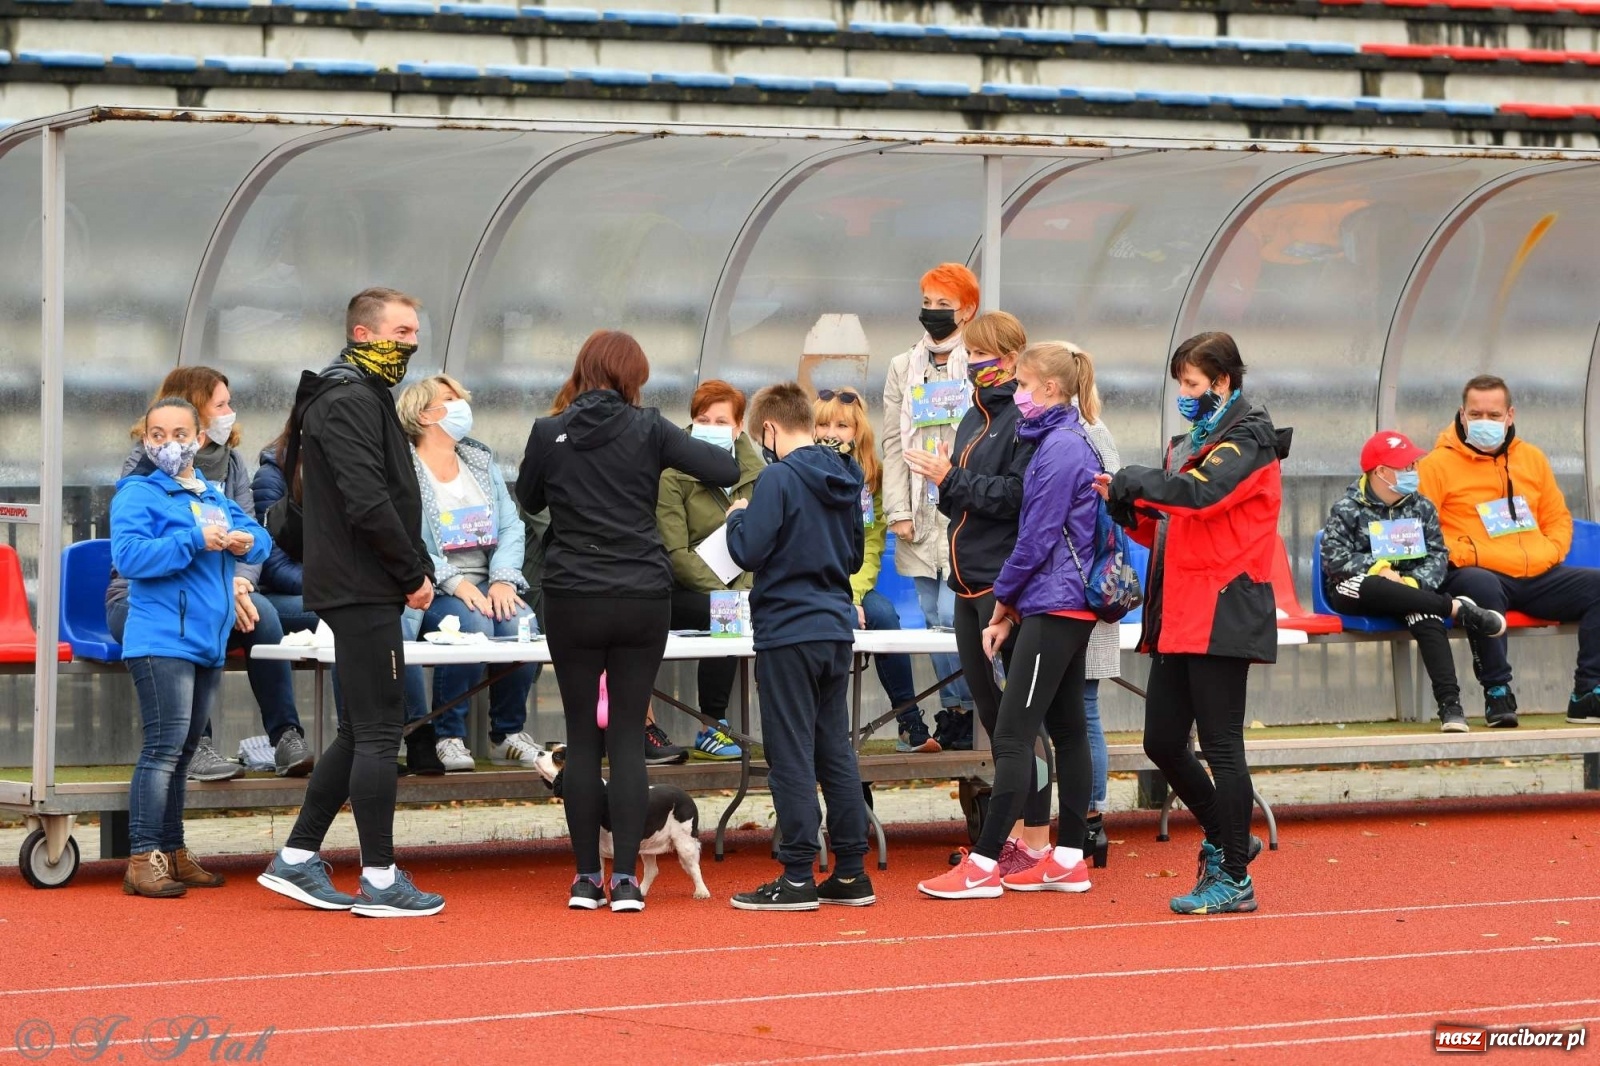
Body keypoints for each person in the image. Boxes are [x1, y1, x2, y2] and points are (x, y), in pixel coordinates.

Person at [516, 330, 739, 913]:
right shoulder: (651, 428)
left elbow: (530, 497)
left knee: (583, 740)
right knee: (629, 742)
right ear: (632, 377)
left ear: (583, 369)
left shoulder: (548, 430)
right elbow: (721, 465)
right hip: (641, 594)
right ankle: (625, 884)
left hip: (572, 595)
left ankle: (586, 877)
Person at [258, 286, 445, 918]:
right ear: (363, 335)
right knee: (380, 731)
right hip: (363, 584)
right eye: (401, 332)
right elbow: (368, 501)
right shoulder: (346, 399)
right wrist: (412, 571)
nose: (411, 343)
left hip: (359, 582)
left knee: (359, 728)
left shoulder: (358, 394)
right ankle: (381, 878)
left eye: (415, 333)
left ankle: (297, 858)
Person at [1101, 331, 1289, 915]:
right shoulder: (1186, 445)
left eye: (1192, 383)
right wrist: (1125, 505)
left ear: (1224, 382)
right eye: (1179, 382)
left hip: (1223, 608)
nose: (1183, 393)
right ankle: (1234, 838)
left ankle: (1233, 874)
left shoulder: (1249, 438)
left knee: (1221, 744)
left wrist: (1136, 480)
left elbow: (1203, 497)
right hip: (1179, 611)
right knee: (1161, 739)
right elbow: (1168, 520)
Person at [918, 342, 1101, 900]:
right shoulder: (1061, 441)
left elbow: (1034, 537)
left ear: (1049, 389)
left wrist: (1005, 603)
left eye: (1022, 384)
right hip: (1058, 603)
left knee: (1014, 732)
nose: (1016, 394)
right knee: (1066, 729)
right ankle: (1069, 857)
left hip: (1055, 603)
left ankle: (983, 863)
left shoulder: (1061, 448)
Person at [107, 367, 314, 781]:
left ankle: (286, 737)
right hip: (145, 598)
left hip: (220, 588)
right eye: (220, 405)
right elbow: (147, 548)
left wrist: (240, 581)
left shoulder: (232, 463)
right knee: (198, 620)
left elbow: (251, 530)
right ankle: (196, 744)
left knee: (267, 615)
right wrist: (218, 576)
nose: (229, 413)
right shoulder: (144, 471)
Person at [113, 397, 270, 897]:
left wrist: (247, 542)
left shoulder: (211, 491)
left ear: (200, 440)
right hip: (161, 638)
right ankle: (142, 858)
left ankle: (174, 853)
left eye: (180, 434)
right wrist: (194, 541)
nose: (168, 443)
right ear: (145, 439)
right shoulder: (138, 493)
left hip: (206, 639)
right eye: (156, 434)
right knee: (162, 750)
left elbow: (259, 538)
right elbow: (131, 557)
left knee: (182, 753)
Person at [726, 382, 874, 911]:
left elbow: (747, 549)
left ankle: (795, 874)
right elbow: (855, 558)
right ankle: (852, 870)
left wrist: (737, 516)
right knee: (835, 749)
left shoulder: (776, 480)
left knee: (790, 752)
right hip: (834, 627)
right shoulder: (848, 474)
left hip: (787, 629)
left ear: (768, 428)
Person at [914, 311, 1046, 873]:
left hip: (1004, 583)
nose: (973, 363)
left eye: (984, 355)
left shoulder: (1025, 418)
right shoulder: (972, 415)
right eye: (971, 354)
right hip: (963, 580)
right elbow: (962, 499)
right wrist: (944, 483)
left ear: (1013, 360)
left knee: (1023, 722)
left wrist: (953, 482)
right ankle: (1012, 833)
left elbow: (1016, 496)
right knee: (989, 714)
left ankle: (1035, 839)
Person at [1418, 374, 1600, 727]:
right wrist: (1470, 553)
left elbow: (1558, 518)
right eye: (1476, 414)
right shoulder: (1435, 465)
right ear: (1462, 413)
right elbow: (1427, 530)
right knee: (1481, 587)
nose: (1485, 421)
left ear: (1510, 415)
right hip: (1474, 571)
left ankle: (1587, 693)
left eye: (1494, 415)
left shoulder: (1532, 459)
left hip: (1536, 572)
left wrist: (1547, 552)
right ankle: (1497, 692)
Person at [394, 374, 543, 773]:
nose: (462, 405)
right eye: (450, 399)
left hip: (489, 578)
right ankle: (448, 735)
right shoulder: (403, 466)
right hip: (433, 583)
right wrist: (454, 583)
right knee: (472, 624)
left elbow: (511, 526)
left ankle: (507, 734)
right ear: (423, 415)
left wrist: (502, 579)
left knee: (521, 622)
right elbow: (404, 536)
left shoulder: (479, 460)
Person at [1323, 430, 1508, 733]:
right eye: (1405, 467)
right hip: (1356, 589)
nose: (1413, 471)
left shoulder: (1422, 506)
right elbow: (1335, 560)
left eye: (1412, 465)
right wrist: (1379, 568)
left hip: (1412, 592)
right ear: (1381, 472)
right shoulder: (1347, 508)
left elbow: (1437, 555)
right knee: (1376, 585)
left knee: (1426, 613)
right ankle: (1457, 609)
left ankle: (1451, 707)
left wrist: (1413, 583)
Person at [882, 262, 978, 749]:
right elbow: (892, 445)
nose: (933, 313)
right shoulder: (903, 366)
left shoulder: (982, 363)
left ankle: (977, 704)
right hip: (919, 511)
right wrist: (897, 509)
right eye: (928, 303)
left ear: (968, 310)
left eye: (944, 305)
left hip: (965, 512)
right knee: (931, 613)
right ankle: (955, 710)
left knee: (954, 611)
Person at [813, 386, 936, 753]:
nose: (831, 433)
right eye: (822, 424)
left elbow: (870, 547)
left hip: (851, 583)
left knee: (884, 615)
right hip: (808, 585)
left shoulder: (873, 478)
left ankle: (908, 723)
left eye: (842, 425)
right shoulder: (798, 469)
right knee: (835, 620)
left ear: (858, 431)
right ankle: (828, 733)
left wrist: (850, 595)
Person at [655, 379, 763, 764]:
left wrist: (746, 589)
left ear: (738, 428)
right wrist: (727, 595)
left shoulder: (757, 474)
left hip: (744, 587)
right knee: (726, 615)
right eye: (703, 419)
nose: (711, 427)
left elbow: (763, 539)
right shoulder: (672, 474)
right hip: (682, 589)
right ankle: (711, 723)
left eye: (721, 420)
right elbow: (676, 552)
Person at [1077, 382, 1124, 868]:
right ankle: (1093, 819)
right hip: (1098, 587)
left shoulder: (1078, 435)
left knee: (1078, 712)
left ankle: (1084, 816)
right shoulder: (1099, 433)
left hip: (1077, 588)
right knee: (1086, 711)